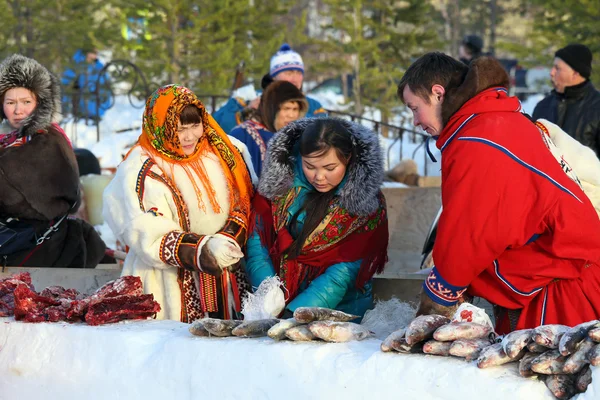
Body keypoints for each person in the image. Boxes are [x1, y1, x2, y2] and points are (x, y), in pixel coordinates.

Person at [397, 52, 600, 333]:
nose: (415, 121)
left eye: (414, 108)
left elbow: (469, 233)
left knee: (530, 374)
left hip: (560, 287)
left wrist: (435, 298)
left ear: (438, 93)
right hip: (556, 271)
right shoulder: (494, 120)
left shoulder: (476, 138)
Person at [103, 84, 256, 322]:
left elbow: (246, 199)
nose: (189, 136)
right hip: (168, 284)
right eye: (178, 128)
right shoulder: (139, 168)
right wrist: (202, 250)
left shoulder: (225, 152)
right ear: (160, 125)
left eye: (195, 125)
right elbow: (145, 231)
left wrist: (229, 238)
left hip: (228, 278)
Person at [245, 118, 389, 320]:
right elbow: (257, 242)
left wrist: (296, 313)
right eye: (310, 166)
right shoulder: (278, 187)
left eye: (330, 168)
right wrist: (267, 291)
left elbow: (345, 270)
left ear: (347, 158)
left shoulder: (365, 202)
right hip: (273, 309)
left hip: (338, 312)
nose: (319, 177)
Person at [0, 54, 106, 268]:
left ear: (40, 102)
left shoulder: (48, 140)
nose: (18, 110)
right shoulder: (6, 137)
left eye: (26, 101)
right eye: (10, 102)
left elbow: (27, 198)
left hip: (42, 246)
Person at [213, 43, 327, 134]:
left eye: (298, 73)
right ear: (273, 76)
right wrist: (246, 112)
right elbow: (215, 126)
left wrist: (296, 114)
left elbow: (324, 134)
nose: (294, 78)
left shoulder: (313, 106)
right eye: (289, 72)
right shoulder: (248, 98)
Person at [532, 44, 600, 155]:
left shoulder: (596, 108)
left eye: (557, 68)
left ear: (575, 73)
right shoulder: (542, 107)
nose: (551, 72)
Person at [229, 80, 307, 176]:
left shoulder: (298, 137)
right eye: (286, 108)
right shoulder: (242, 135)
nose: (291, 115)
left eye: (295, 109)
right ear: (272, 109)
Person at [61, 48, 112, 122]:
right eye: (92, 52)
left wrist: (104, 106)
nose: (94, 55)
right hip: (79, 111)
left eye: (95, 53)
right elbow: (66, 83)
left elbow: (105, 88)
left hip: (96, 111)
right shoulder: (77, 65)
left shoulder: (99, 66)